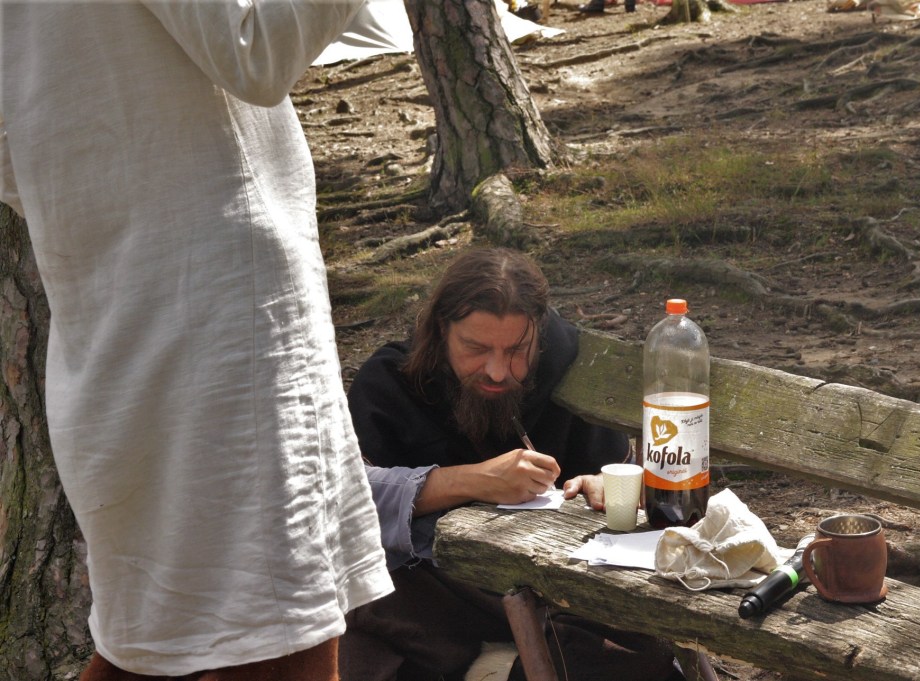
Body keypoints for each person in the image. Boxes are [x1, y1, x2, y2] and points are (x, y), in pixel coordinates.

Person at [0, 2, 393, 680]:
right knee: (272, 639)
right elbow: (254, 50)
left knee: (157, 639)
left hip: (109, 294)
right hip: (224, 303)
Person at [342, 247, 680, 681]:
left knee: (639, 652)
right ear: (442, 330)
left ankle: (500, 668)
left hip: (559, 593)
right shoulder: (390, 383)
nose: (498, 371)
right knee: (359, 614)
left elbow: (614, 472)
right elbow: (348, 503)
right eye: (476, 348)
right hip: (441, 596)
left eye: (517, 350)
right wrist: (473, 481)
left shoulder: (566, 367)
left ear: (539, 335)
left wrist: (602, 485)